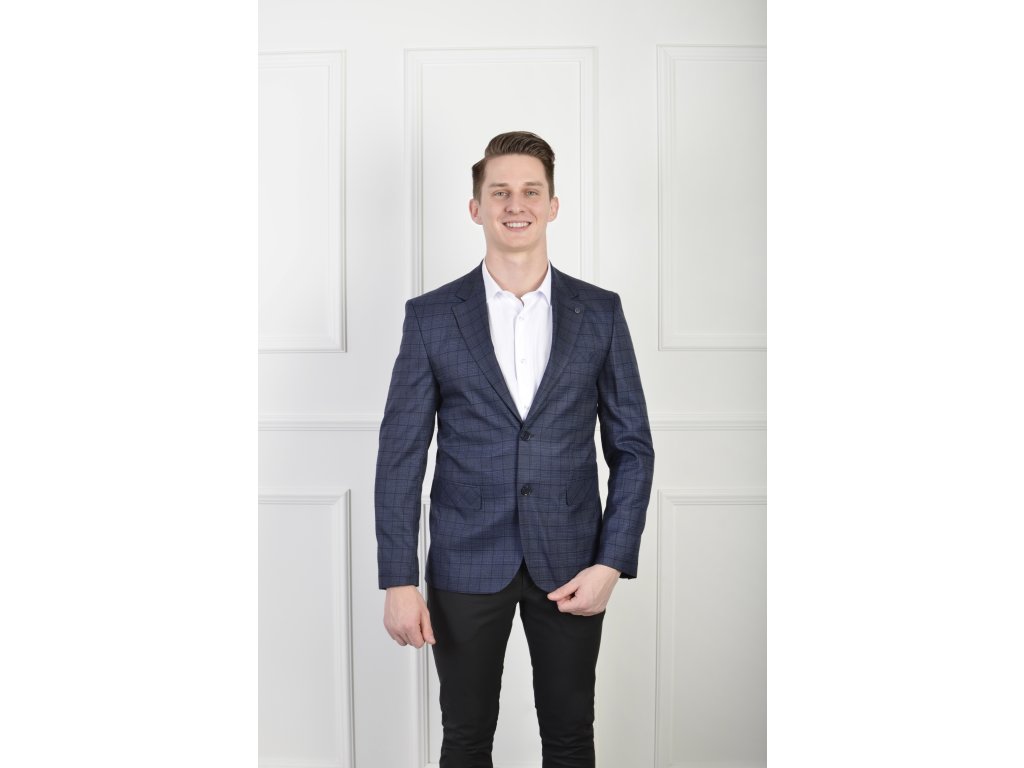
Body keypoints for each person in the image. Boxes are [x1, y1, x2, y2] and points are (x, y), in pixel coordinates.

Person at [375, 131, 654, 768]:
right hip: (465, 562)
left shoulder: (600, 313)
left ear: (553, 205)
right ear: (476, 208)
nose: (515, 204)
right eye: (499, 192)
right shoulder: (431, 317)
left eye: (531, 191)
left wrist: (611, 562)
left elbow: (633, 449)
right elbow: (400, 455)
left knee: (570, 739)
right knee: (465, 739)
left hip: (573, 565)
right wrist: (398, 578)